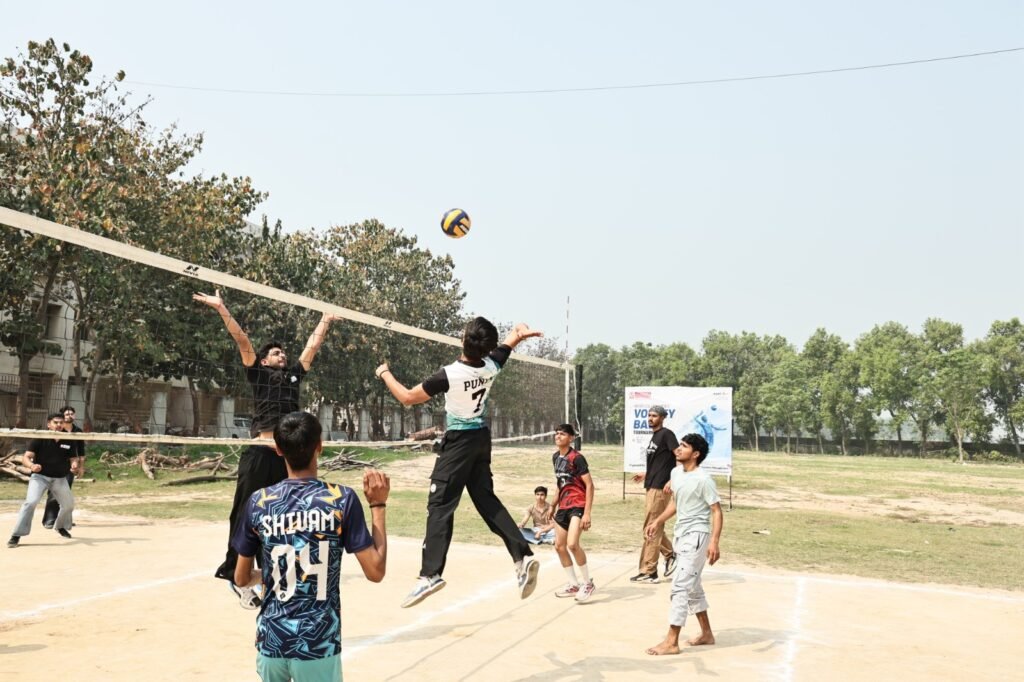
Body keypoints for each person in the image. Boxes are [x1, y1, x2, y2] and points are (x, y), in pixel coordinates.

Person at [375, 317, 543, 608]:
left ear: (463, 339)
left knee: (439, 504)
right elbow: (505, 347)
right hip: (481, 439)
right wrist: (517, 336)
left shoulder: (450, 374)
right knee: (487, 501)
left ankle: (430, 575)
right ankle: (522, 556)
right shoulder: (491, 366)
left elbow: (406, 398)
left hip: (459, 444)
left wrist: (384, 373)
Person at [194, 289, 340, 608]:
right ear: (263, 360)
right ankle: (236, 574)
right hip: (260, 452)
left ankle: (272, 573)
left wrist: (325, 321)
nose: (281, 356)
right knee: (245, 513)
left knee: (281, 516)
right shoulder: (258, 373)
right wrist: (221, 308)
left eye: (282, 353)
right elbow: (243, 341)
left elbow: (311, 348)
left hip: (286, 455)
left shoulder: (292, 377)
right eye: (275, 353)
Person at [232, 411, 389, 681]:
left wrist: (272, 574)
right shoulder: (341, 499)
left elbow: (241, 578)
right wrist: (378, 505)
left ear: (278, 449)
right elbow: (376, 571)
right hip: (317, 644)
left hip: (271, 642)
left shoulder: (259, 502)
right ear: (320, 446)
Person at [644, 433, 722, 656]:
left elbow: (716, 511)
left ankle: (671, 641)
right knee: (693, 586)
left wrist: (714, 542)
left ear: (695, 454)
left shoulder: (704, 480)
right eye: (679, 445)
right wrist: (657, 521)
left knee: (679, 587)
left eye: (684, 447)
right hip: (681, 535)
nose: (678, 449)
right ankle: (706, 633)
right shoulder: (676, 473)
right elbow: (676, 505)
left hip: (697, 537)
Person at [8, 412, 77, 548]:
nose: (59, 425)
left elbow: (73, 458)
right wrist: (32, 466)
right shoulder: (40, 438)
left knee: (69, 505)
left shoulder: (69, 439)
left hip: (59, 478)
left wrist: (74, 465)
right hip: (40, 477)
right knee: (31, 502)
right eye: (55, 422)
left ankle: (60, 526)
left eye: (61, 423)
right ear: (49, 425)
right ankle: (16, 535)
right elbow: (26, 457)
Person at [630, 405, 679, 583]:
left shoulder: (667, 434)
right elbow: (661, 462)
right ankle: (670, 554)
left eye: (654, 416)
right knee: (652, 526)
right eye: (649, 415)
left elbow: (679, 456)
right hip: (651, 484)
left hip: (660, 488)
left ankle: (650, 571)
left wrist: (673, 479)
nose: (650, 418)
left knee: (651, 527)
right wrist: (646, 474)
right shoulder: (655, 436)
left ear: (663, 417)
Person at [550, 423, 596, 603]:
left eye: (562, 434)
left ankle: (587, 583)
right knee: (559, 546)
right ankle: (573, 584)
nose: (558, 437)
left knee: (572, 544)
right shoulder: (555, 457)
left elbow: (590, 485)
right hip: (563, 506)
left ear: (571, 438)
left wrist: (587, 513)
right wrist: (552, 505)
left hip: (577, 505)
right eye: (557, 434)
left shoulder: (577, 458)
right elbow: (559, 483)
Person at [42, 405, 85, 529]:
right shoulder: (54, 430)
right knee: (53, 493)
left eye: (72, 413)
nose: (69, 416)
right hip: (53, 464)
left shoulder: (78, 431)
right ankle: (50, 519)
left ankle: (65, 520)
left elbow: (81, 451)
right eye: (67, 414)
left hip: (70, 465)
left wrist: (81, 467)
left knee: (66, 493)